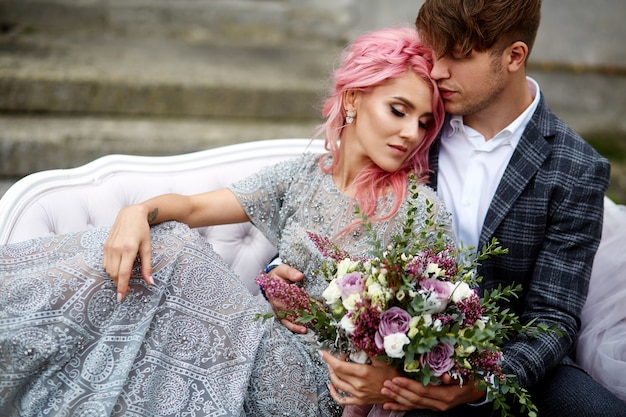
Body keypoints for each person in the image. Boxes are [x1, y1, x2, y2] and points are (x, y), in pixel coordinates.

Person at [0, 27, 448, 416]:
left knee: (175, 246)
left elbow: (444, 336)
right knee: (167, 239)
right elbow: (193, 208)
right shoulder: (301, 178)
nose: (412, 133)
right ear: (353, 98)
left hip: (317, 388)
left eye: (423, 121)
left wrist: (384, 371)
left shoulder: (418, 209)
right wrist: (136, 213)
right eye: (399, 110)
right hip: (255, 346)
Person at [266, 0, 626, 416]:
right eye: (436, 52)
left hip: (512, 366)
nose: (437, 71)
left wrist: (478, 384)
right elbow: (333, 196)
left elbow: (553, 318)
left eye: (457, 56)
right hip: (391, 354)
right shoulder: (413, 126)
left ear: (513, 56)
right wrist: (283, 275)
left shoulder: (576, 167)